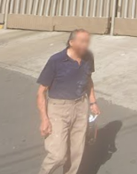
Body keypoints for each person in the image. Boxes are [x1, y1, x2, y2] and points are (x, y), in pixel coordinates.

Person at [36, 29, 100, 174]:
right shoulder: (56, 61)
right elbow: (41, 92)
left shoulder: (88, 58)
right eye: (81, 41)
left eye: (87, 41)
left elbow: (88, 80)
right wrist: (44, 119)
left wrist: (93, 102)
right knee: (57, 155)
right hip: (58, 108)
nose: (85, 45)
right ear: (71, 42)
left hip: (81, 106)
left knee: (76, 153)